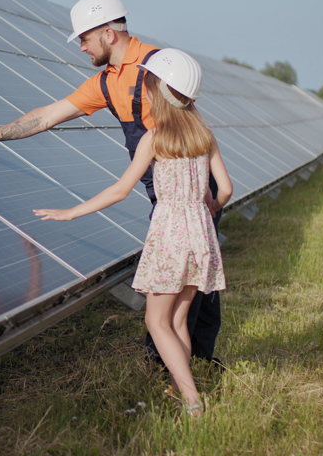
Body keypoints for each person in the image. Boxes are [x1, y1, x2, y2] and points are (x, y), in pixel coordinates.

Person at [0, 0, 223, 362]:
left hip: (190, 187)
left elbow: (195, 126)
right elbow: (47, 115)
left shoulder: (160, 67)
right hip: (160, 189)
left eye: (84, 38)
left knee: (192, 288)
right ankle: (183, 367)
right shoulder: (106, 83)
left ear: (108, 34)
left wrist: (207, 196)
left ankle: (180, 368)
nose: (81, 47)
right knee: (181, 284)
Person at [33, 49, 233, 415]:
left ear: (159, 92)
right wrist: (205, 212)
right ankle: (178, 388)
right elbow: (225, 190)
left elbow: (119, 190)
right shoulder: (205, 136)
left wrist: (71, 213)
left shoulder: (154, 139)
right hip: (201, 235)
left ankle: (191, 400)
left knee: (156, 321)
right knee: (177, 321)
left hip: (170, 235)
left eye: (150, 86)